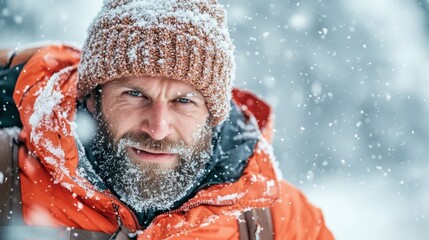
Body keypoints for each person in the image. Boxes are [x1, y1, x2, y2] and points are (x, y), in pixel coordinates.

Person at [0, 0, 334, 239]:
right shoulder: (8, 181)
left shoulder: (278, 220)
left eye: (184, 101)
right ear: (93, 98)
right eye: (134, 94)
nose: (158, 127)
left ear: (213, 116)